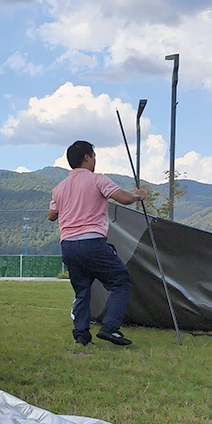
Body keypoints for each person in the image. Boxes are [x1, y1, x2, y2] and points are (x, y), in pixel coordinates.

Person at [48, 141, 146, 346]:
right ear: (87, 157)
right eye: (93, 156)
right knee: (120, 280)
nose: (94, 160)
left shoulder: (59, 188)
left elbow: (51, 215)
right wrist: (137, 196)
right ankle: (110, 328)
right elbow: (124, 199)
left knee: (82, 291)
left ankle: (82, 337)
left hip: (68, 246)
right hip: (92, 242)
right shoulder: (97, 180)